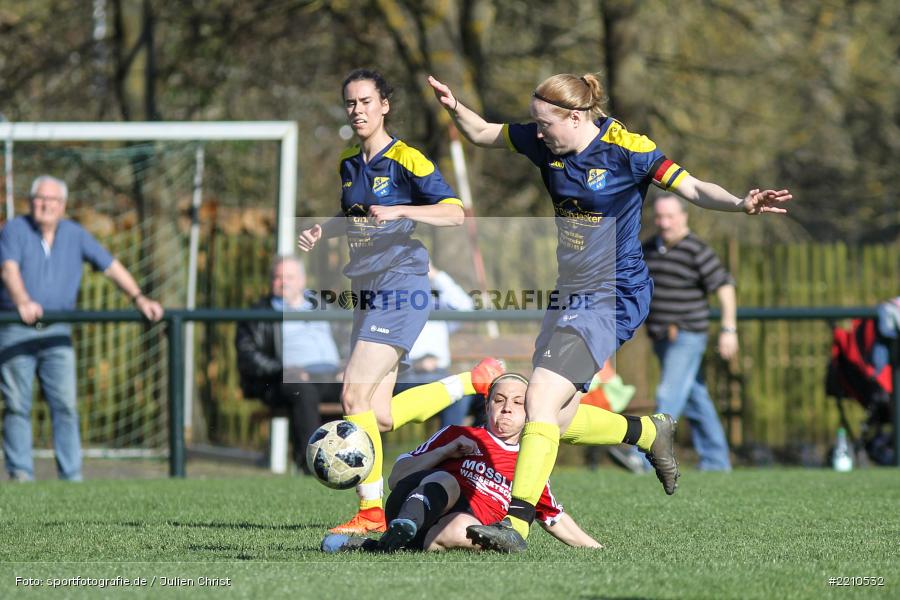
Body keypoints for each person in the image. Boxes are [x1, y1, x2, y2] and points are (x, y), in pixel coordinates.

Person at [427, 72, 791, 551]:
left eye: (545, 124)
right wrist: (456, 106)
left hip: (612, 294)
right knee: (551, 422)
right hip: (570, 293)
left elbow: (694, 188)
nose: (537, 133)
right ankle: (645, 433)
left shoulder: (628, 148)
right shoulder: (545, 145)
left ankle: (513, 526)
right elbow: (482, 133)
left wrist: (742, 202)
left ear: (575, 117)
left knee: (536, 399)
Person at [298, 68, 498, 534]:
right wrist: (322, 229)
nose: (358, 110)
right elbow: (351, 212)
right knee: (379, 415)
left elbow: (453, 213)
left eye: (366, 101)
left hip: (402, 286)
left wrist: (401, 209)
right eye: (350, 103)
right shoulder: (349, 161)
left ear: (384, 105)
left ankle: (370, 513)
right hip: (367, 290)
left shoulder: (407, 158)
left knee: (353, 394)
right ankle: (472, 381)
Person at [321, 373, 601, 553]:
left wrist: (596, 549)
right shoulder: (459, 434)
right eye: (499, 400)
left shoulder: (529, 460)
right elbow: (397, 478)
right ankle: (403, 527)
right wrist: (446, 452)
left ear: (529, 411)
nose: (506, 408)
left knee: (462, 529)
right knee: (447, 480)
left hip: (450, 529)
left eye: (517, 402)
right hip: (414, 505)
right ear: (487, 405)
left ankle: (379, 547)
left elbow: (555, 518)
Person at [0, 175, 164, 482]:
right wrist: (23, 300)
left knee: (65, 405)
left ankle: (71, 477)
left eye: (52, 200)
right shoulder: (14, 230)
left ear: (63, 206)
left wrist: (139, 297)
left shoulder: (76, 234)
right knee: (16, 405)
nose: (45, 204)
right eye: (39, 198)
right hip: (15, 328)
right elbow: (9, 269)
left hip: (58, 331)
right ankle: (21, 474)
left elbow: (111, 266)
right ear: (30, 201)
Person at [642, 194, 737, 471]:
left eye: (670, 216)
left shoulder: (696, 249)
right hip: (660, 338)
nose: (665, 223)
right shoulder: (648, 249)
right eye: (659, 217)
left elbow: (725, 286)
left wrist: (729, 329)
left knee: (668, 394)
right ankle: (717, 462)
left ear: (684, 216)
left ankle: (645, 460)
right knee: (696, 400)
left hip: (687, 334)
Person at [235, 255, 342, 474]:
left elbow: (348, 340)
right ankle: (311, 466)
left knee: (360, 388)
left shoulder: (325, 307)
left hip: (331, 375)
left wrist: (347, 366)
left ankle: (353, 458)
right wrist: (284, 370)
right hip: (283, 380)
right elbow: (248, 355)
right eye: (277, 277)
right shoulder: (257, 313)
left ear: (302, 280)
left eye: (290, 277)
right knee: (303, 391)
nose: (283, 282)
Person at [394, 261, 476, 427]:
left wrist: (437, 275)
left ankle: (478, 450)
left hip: (440, 375)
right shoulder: (395, 304)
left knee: (483, 395)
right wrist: (415, 364)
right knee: (457, 393)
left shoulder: (437, 304)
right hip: (409, 377)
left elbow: (466, 308)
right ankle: (448, 448)